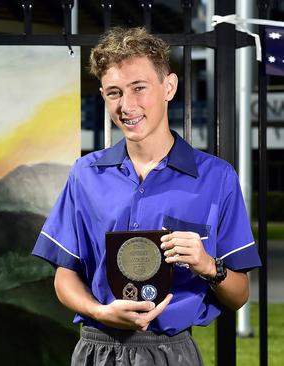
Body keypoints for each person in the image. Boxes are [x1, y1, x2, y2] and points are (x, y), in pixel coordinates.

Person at [32, 27, 261, 366]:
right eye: (114, 93)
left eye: (139, 88)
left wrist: (207, 266)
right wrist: (101, 311)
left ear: (169, 87)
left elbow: (239, 295)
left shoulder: (217, 178)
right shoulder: (85, 174)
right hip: (96, 350)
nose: (127, 105)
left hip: (172, 353)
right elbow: (65, 276)